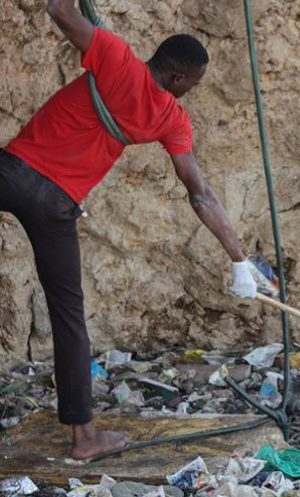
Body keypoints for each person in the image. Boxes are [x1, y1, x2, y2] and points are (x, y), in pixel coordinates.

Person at [0, 0, 258, 459]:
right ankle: (84, 438)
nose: (190, 94)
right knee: (69, 318)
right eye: (192, 86)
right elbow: (200, 193)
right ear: (178, 79)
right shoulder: (170, 118)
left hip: (13, 173)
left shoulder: (114, 57)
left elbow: (60, 12)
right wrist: (238, 259)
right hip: (56, 205)